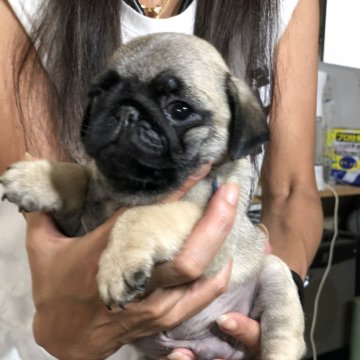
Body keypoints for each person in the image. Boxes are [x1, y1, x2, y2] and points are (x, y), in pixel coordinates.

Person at [0, 0, 323, 359]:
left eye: (179, 110)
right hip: (59, 323)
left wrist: (261, 328)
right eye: (105, 95)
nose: (127, 119)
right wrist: (58, 183)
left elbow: (292, 191)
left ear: (236, 125)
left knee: (274, 273)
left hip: (230, 323)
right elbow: (75, 211)